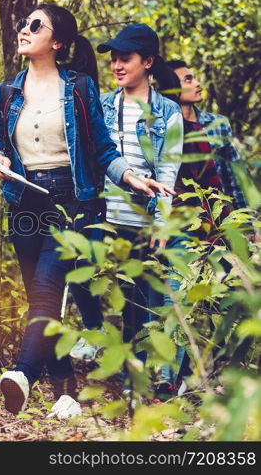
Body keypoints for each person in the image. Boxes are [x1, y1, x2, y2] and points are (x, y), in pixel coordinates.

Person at [0, 6, 173, 418]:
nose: (24, 30)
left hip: (72, 202)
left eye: (36, 25)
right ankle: (65, 391)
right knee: (39, 298)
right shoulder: (5, 92)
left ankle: (23, 372)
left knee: (49, 292)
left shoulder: (80, 87)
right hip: (23, 201)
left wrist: (130, 178)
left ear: (58, 42)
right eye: (23, 24)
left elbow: (102, 148)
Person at [68, 23, 184, 398]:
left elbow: (167, 173)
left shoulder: (168, 113)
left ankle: (136, 387)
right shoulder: (101, 105)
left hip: (142, 223)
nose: (117, 66)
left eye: (126, 59)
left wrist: (161, 226)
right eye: (114, 59)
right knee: (75, 261)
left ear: (147, 62)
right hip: (103, 215)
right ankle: (94, 327)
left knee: (137, 306)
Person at [155, 59, 251, 398]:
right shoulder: (163, 123)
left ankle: (207, 373)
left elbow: (233, 177)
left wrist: (247, 222)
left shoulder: (216, 124)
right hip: (182, 224)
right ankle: (172, 380)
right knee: (178, 296)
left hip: (221, 223)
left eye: (195, 77)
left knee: (230, 300)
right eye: (188, 78)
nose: (196, 83)